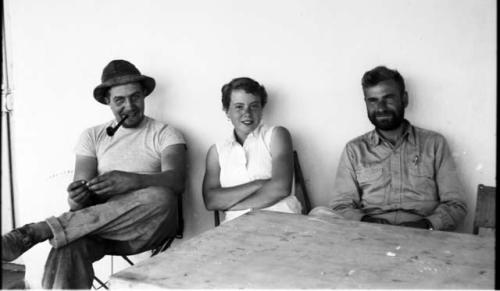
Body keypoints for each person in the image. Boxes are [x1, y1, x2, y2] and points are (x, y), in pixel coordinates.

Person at [2, 60, 187, 289]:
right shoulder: (92, 136)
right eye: (120, 100)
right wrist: (77, 196)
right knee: (66, 245)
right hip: (98, 230)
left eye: (135, 97)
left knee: (162, 197)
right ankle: (49, 232)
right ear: (107, 101)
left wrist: (133, 181)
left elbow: (177, 181)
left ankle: (40, 230)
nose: (129, 106)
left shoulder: (166, 133)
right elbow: (79, 201)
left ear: (144, 96)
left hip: (147, 227)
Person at [310, 66, 466, 231]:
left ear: (404, 99)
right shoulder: (354, 150)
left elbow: (456, 205)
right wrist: (369, 223)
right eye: (373, 100)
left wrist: (425, 225)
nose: (381, 108)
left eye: (388, 98)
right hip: (370, 235)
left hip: (424, 235)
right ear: (366, 103)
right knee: (318, 214)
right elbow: (341, 206)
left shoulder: (434, 144)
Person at [202, 77, 302, 223]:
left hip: (282, 219)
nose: (247, 113)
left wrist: (232, 205)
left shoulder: (276, 135)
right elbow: (211, 200)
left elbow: (281, 188)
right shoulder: (217, 151)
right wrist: (259, 183)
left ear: (262, 109)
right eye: (239, 107)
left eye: (254, 106)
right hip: (235, 228)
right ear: (227, 111)